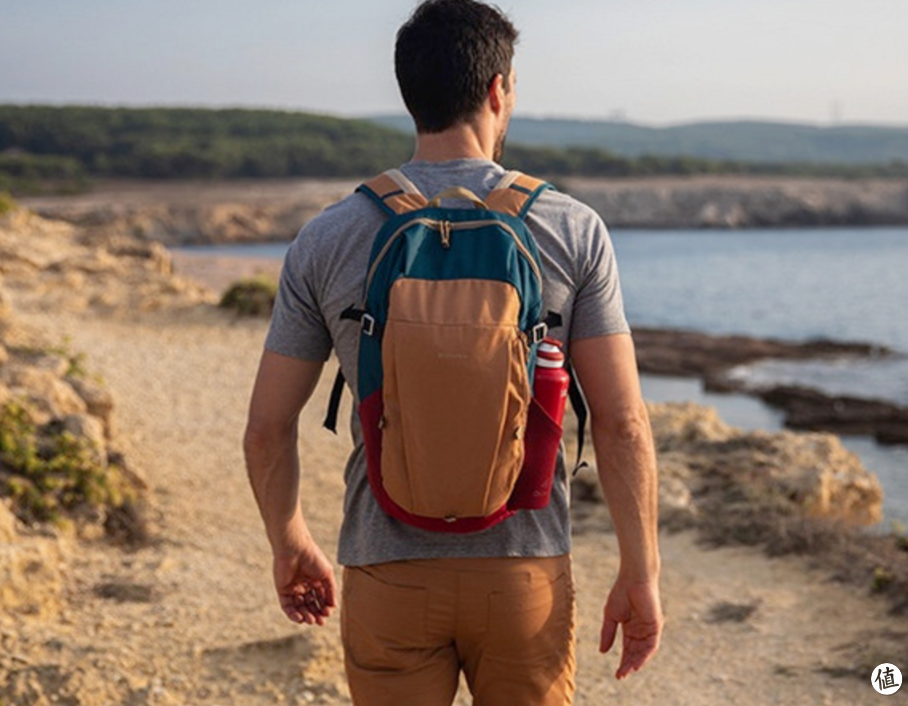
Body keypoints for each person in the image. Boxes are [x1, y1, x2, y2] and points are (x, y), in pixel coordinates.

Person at [243, 1, 663, 703]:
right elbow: (623, 423)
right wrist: (640, 571)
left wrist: (289, 542)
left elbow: (266, 427)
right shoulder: (571, 227)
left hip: (386, 565)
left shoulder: (330, 235)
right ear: (499, 90)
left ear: (411, 96)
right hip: (524, 568)